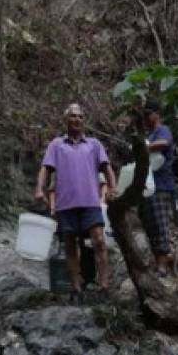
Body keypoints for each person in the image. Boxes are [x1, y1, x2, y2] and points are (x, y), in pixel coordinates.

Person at [34, 103, 117, 298]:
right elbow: (45, 168)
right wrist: (40, 189)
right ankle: (76, 287)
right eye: (73, 116)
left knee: (99, 240)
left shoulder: (94, 145)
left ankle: (104, 285)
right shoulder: (56, 145)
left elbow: (107, 168)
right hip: (66, 204)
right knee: (70, 245)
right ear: (66, 120)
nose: (77, 119)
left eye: (80, 116)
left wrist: (113, 188)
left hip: (90, 202)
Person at [141, 100, 177, 277]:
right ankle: (159, 262)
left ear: (157, 114)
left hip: (162, 186)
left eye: (148, 114)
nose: (146, 118)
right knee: (151, 225)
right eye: (144, 115)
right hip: (149, 186)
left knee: (160, 224)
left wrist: (144, 147)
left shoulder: (162, 130)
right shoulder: (149, 134)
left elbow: (165, 142)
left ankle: (163, 265)